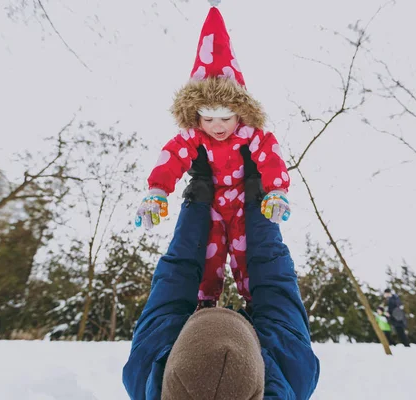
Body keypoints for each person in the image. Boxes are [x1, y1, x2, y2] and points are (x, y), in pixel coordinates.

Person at [122, 146, 320, 399]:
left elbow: (174, 281)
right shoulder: (291, 371)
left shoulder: (145, 372)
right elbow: (274, 283)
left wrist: (198, 197)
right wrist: (257, 198)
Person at [135, 6, 291, 311]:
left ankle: (253, 302)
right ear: (196, 116)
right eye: (208, 118)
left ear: (239, 113)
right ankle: (204, 302)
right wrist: (156, 193)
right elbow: (172, 158)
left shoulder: (250, 134)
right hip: (214, 203)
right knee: (208, 250)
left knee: (248, 253)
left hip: (245, 202)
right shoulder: (194, 136)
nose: (217, 127)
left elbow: (270, 156)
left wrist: (276, 191)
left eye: (225, 117)